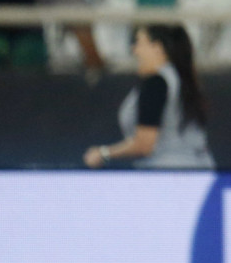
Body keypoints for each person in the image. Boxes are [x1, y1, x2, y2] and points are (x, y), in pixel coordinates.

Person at [83, 24, 215, 169]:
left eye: (139, 43)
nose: (134, 50)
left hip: (168, 174)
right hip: (201, 171)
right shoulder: (183, 79)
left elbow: (144, 144)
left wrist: (103, 153)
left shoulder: (156, 83)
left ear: (157, 48)